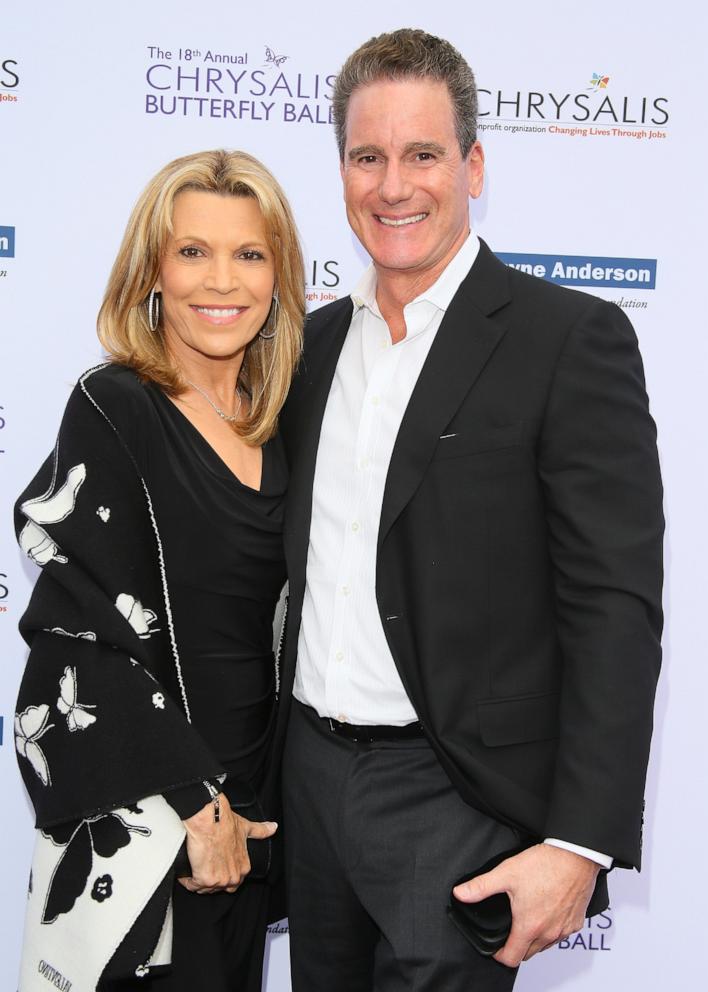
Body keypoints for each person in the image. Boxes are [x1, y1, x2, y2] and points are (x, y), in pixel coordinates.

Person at [268, 28, 664, 991]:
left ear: (473, 165)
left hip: (456, 799)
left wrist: (579, 843)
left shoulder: (569, 338)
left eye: (422, 155)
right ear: (342, 171)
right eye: (368, 156)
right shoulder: (310, 348)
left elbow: (614, 605)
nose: (393, 185)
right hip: (310, 781)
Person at [13, 149, 304, 991]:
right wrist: (190, 802)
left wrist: (243, 810)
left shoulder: (286, 419)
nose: (222, 281)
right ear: (152, 271)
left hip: (255, 816)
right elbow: (80, 630)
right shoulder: (116, 408)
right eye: (192, 252)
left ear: (279, 276)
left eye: (250, 254)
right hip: (148, 816)